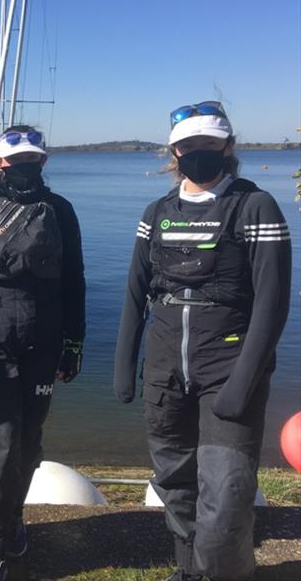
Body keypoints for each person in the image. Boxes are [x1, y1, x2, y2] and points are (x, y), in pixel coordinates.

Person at [114, 102, 291, 581]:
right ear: (174, 152)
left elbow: (272, 305)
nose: (199, 154)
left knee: (228, 493)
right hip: (165, 369)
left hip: (229, 370)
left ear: (228, 148)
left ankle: (224, 571)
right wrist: (125, 365)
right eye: (190, 146)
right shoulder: (157, 212)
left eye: (210, 145)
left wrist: (243, 381)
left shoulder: (255, 206)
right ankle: (188, 570)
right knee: (176, 483)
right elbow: (135, 292)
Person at [0, 125, 85, 581]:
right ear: (0, 161)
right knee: (0, 448)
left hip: (44, 340)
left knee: (28, 446)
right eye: (16, 158)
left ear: (43, 161)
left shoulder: (61, 211)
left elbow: (74, 281)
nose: (25, 166)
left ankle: (15, 514)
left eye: (33, 158)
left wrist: (73, 342)